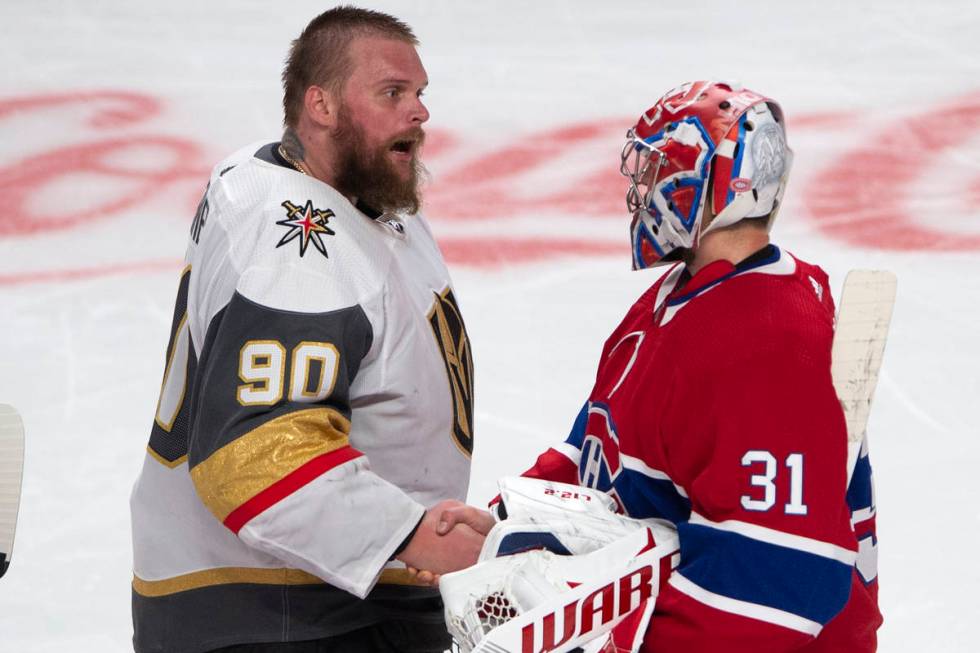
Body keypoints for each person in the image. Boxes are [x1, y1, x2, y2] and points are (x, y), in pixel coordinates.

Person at [435, 81, 882, 651]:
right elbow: (598, 447)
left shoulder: (773, 344)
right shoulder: (683, 293)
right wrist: (503, 522)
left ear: (712, 187)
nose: (641, 188)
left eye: (659, 171)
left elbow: (781, 583)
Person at [130, 7, 483, 652]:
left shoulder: (314, 190)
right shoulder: (299, 241)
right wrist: (411, 534)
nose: (420, 112)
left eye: (420, 93)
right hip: (284, 614)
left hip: (324, 599)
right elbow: (256, 453)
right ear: (319, 104)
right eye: (392, 93)